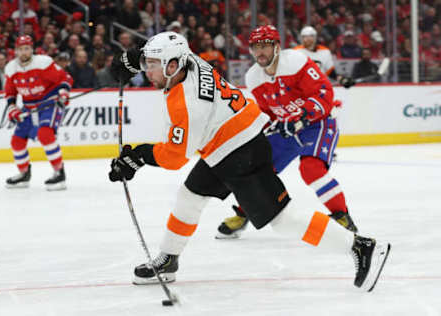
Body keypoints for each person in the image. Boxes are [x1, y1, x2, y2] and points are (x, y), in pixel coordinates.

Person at [108, 31, 390, 292]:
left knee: (284, 220)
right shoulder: (187, 59)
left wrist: (137, 156)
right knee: (190, 196)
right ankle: (169, 259)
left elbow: (174, 157)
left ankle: (362, 247)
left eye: (152, 65)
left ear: (172, 66)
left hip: (241, 152)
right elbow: (170, 44)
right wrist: (133, 58)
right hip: (227, 143)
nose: (147, 72)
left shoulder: (189, 104)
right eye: (146, 63)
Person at [216, 25, 359, 239]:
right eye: (255, 47)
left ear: (277, 46)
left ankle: (342, 216)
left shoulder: (295, 62)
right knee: (258, 168)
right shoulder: (253, 77)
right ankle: (245, 212)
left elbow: (324, 93)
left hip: (318, 124)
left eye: (265, 46)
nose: (260, 52)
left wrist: (302, 116)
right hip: (288, 129)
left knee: (311, 169)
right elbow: (265, 113)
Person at [4, 35, 73, 191]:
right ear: (16, 50)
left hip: (50, 103)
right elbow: (10, 92)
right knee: (17, 140)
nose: (24, 52)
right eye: (21, 49)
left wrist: (63, 92)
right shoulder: (10, 68)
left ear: (32, 49)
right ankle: (24, 174)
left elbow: (65, 78)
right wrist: (12, 108)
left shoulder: (43, 63)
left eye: (27, 48)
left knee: (45, 134)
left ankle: (59, 172)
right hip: (29, 107)